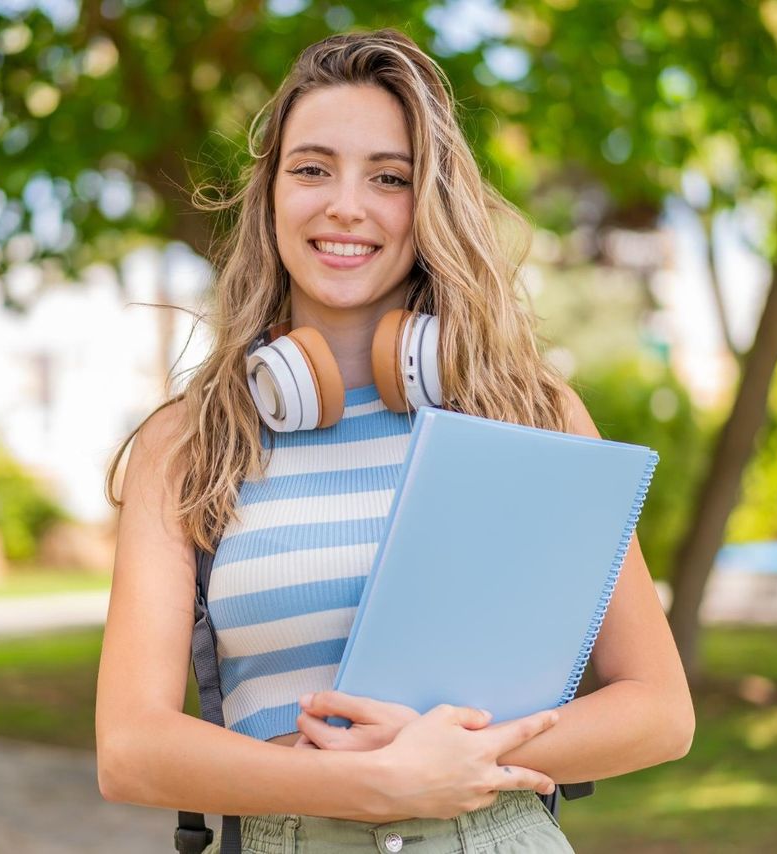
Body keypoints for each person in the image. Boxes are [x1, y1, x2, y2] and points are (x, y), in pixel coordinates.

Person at [96, 27, 695, 853]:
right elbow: (129, 749)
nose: (347, 205)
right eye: (312, 169)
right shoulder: (190, 441)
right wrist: (371, 782)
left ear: (432, 204)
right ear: (270, 194)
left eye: (390, 177)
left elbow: (660, 711)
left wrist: (462, 764)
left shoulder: (530, 410)